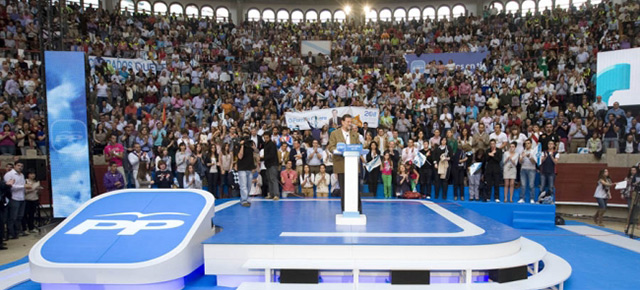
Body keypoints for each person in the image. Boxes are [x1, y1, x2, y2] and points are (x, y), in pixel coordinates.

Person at [327, 114, 362, 213]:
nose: (350, 124)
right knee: (344, 189)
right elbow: (331, 147)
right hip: (341, 164)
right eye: (348, 122)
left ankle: (358, 209)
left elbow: (358, 146)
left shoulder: (355, 134)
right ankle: (345, 209)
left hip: (353, 165)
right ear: (342, 122)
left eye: (351, 122)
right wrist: (337, 151)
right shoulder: (335, 133)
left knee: (355, 189)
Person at [4, 160, 25, 239]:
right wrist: (24, 187)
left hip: (21, 197)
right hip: (13, 198)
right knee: (13, 217)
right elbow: (10, 187)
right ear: (15, 166)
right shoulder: (9, 174)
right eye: (18, 165)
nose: (20, 167)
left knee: (20, 216)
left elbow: (22, 185)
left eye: (21, 166)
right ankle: (10, 233)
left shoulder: (22, 175)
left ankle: (17, 232)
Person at [236, 132, 256, 206]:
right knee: (243, 185)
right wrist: (242, 145)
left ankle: (246, 198)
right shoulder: (239, 146)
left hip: (249, 168)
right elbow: (240, 156)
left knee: (249, 185)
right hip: (242, 168)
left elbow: (256, 153)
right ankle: (244, 200)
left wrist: (254, 147)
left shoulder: (251, 145)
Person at [262, 133, 280, 200]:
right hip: (268, 164)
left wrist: (262, 158)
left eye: (267, 137)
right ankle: (271, 194)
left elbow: (271, 155)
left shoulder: (272, 144)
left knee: (273, 179)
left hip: (273, 164)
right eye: (264, 137)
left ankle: (276, 194)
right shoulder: (265, 145)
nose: (265, 139)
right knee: (269, 179)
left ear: (269, 137)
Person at [519, 139, 537, 203]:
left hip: (531, 169)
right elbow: (520, 162)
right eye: (526, 143)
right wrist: (522, 157)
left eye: (528, 143)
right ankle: (522, 198)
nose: (527, 145)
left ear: (531, 144)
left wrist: (529, 157)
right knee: (523, 185)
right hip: (523, 169)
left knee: (531, 185)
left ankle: (532, 198)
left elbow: (534, 162)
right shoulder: (523, 151)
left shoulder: (534, 151)